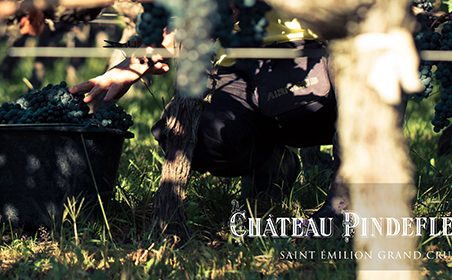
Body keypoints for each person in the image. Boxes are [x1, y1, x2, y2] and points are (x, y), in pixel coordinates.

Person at [68, 12, 339, 206]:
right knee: (192, 130)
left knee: (322, 100)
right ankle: (273, 165)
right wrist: (141, 58)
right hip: (237, 64)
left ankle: (352, 196)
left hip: (316, 53)